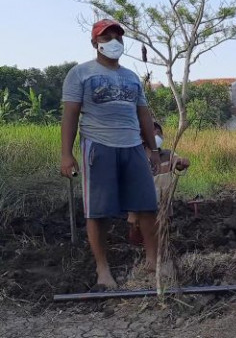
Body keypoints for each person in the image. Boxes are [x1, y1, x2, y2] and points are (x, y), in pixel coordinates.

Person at [60, 19, 160, 290]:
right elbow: (70, 114)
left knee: (147, 205)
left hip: (133, 146)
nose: (113, 41)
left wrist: (153, 149)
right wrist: (66, 155)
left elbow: (143, 114)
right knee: (98, 212)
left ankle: (153, 261)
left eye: (117, 37)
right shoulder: (80, 73)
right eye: (106, 37)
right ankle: (102, 269)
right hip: (98, 146)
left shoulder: (131, 77)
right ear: (95, 43)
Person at [128, 121, 190, 245]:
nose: (156, 134)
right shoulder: (136, 156)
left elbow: (180, 162)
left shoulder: (167, 155)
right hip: (141, 205)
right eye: (152, 131)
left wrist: (183, 162)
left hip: (163, 206)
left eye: (158, 132)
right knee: (138, 234)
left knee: (161, 234)